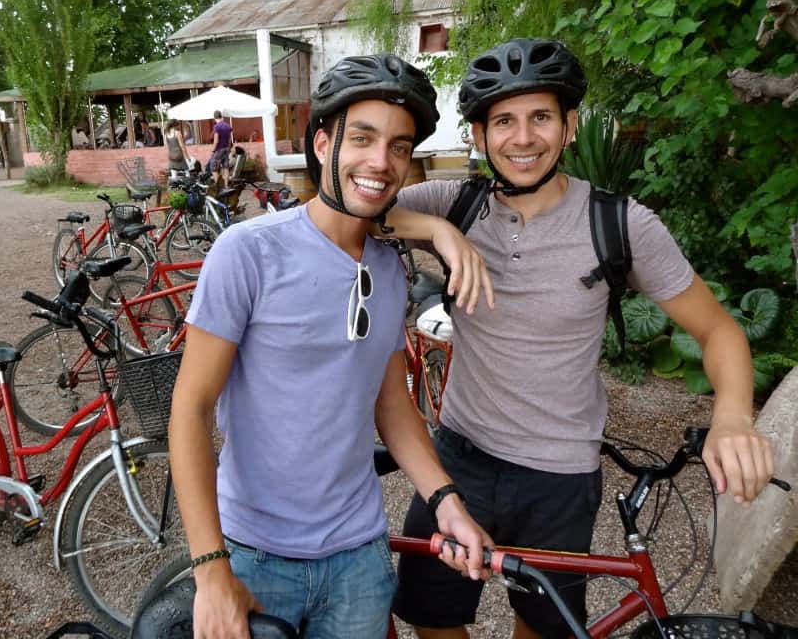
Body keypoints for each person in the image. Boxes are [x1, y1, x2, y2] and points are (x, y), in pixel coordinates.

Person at [381, 38, 776, 639]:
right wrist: (438, 229)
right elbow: (352, 207)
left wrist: (731, 419)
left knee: (538, 627)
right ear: (479, 135)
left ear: (570, 127)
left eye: (540, 117)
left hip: (559, 474)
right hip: (459, 454)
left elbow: (718, 328)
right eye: (504, 121)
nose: (522, 138)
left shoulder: (620, 224)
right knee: (432, 619)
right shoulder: (452, 203)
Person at [168, 54, 495, 639]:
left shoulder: (390, 271)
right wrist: (211, 571)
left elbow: (392, 405)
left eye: (399, 146)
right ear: (323, 144)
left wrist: (447, 503)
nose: (381, 161)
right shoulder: (248, 253)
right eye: (363, 138)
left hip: (358, 561)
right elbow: (190, 409)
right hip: (254, 555)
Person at [207, 110, 235, 184]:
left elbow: (216, 141)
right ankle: (226, 185)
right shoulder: (228, 126)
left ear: (214, 117)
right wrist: (230, 148)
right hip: (227, 149)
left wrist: (213, 151)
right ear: (221, 116)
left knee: (213, 168)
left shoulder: (216, 126)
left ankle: (218, 185)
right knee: (225, 167)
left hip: (219, 149)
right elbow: (229, 139)